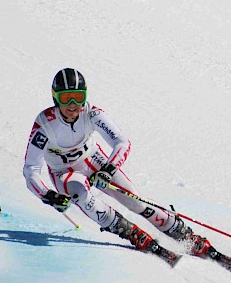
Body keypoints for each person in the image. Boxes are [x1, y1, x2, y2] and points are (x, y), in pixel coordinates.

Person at [23, 68, 211, 255]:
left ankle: (184, 234)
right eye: (66, 98)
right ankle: (130, 232)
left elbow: (122, 142)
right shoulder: (45, 124)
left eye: (78, 97)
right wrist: (47, 195)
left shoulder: (92, 114)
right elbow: (31, 169)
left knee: (134, 200)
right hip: (63, 172)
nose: (73, 104)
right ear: (55, 98)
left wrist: (108, 169)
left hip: (95, 161)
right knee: (80, 194)